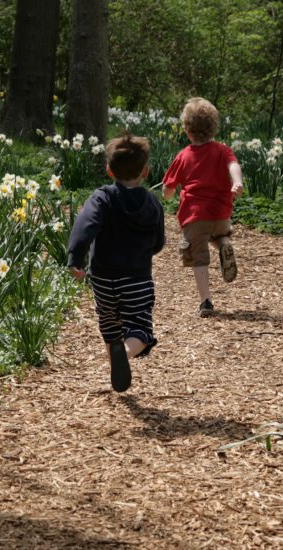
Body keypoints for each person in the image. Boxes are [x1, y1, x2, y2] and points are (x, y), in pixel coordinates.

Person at [67, 133, 165, 392]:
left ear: (109, 171)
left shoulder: (102, 198)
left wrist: (75, 257)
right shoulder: (152, 202)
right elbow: (159, 241)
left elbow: (84, 226)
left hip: (102, 278)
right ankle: (126, 352)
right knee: (140, 329)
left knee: (110, 323)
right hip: (136, 277)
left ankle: (116, 363)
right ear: (146, 171)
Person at [162, 97, 244, 318]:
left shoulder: (183, 156)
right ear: (214, 127)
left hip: (195, 214)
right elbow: (233, 165)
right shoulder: (222, 150)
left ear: (187, 130)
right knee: (217, 236)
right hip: (220, 212)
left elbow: (168, 189)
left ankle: (205, 301)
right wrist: (237, 182)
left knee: (199, 258)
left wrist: (166, 193)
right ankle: (224, 243)